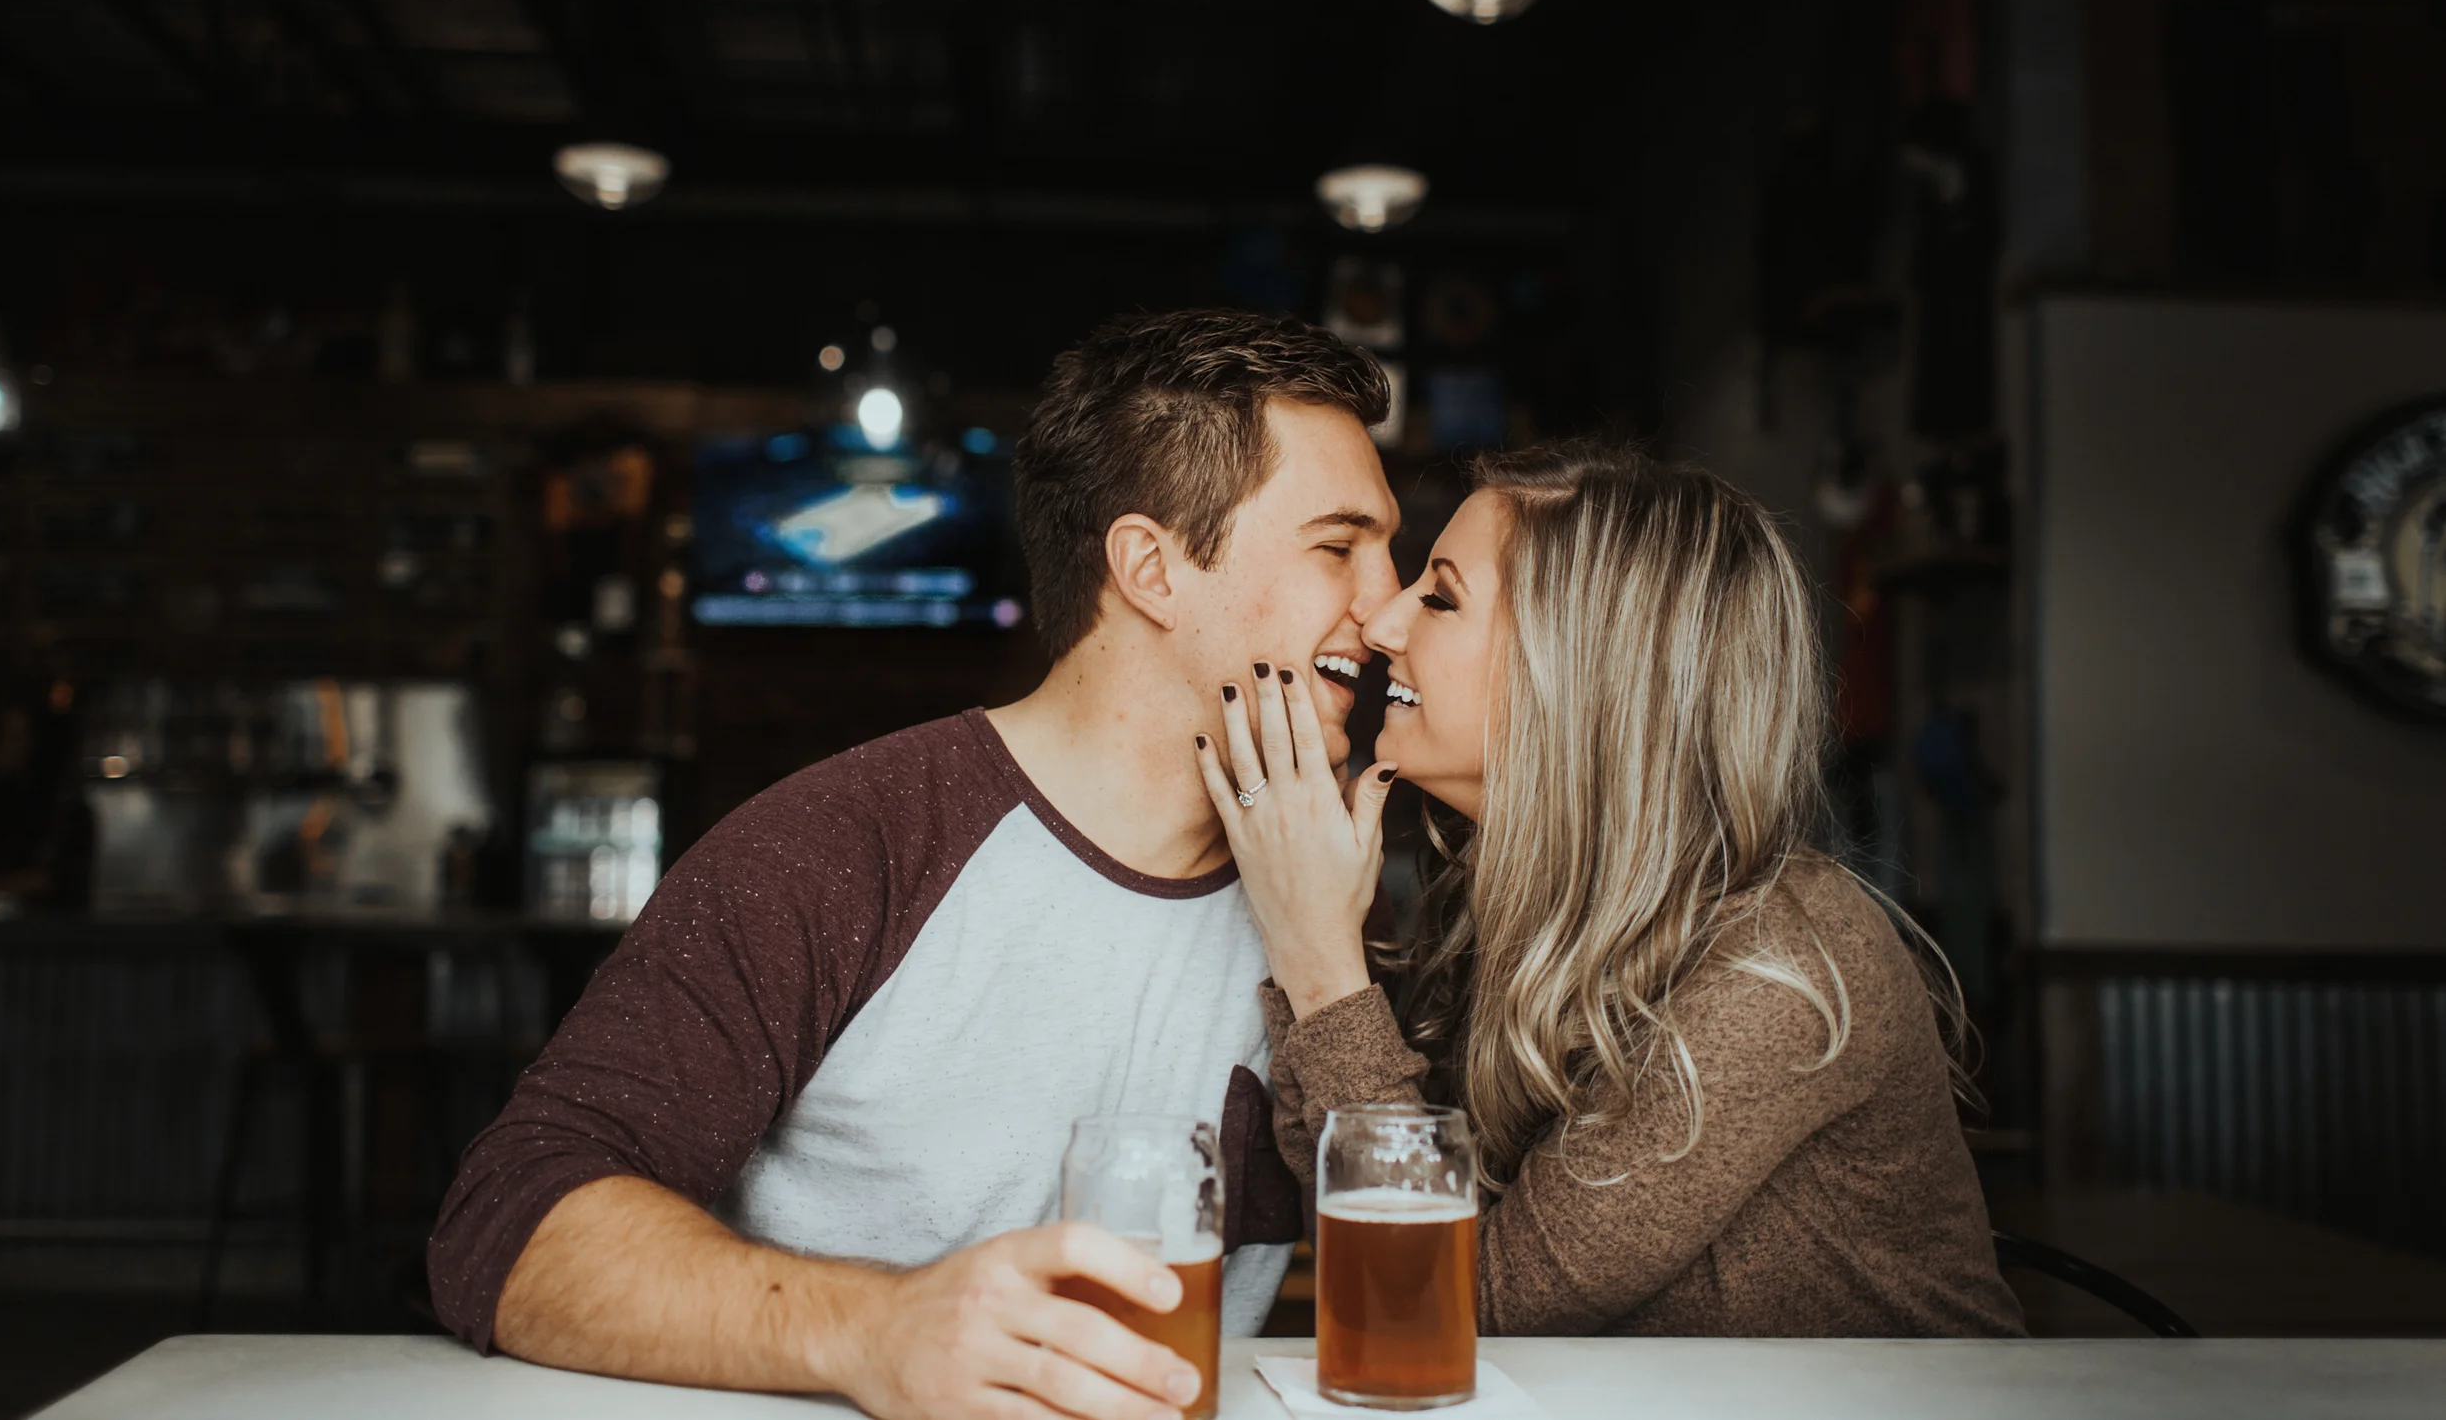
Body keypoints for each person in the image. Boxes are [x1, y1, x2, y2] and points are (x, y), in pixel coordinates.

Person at [429, 309, 1404, 1418]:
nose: (1393, 608)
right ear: (1151, 568)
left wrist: (1331, 964)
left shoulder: (1341, 882)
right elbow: (510, 1225)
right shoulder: (842, 848)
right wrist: (874, 1327)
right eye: (1340, 547)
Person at [1198, 442, 2025, 1337]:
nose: (1384, 623)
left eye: (1440, 596)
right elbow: (1361, 1201)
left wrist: (1319, 962)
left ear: (1579, 670)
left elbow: (1456, 1309)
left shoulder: (1774, 972)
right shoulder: (1511, 899)